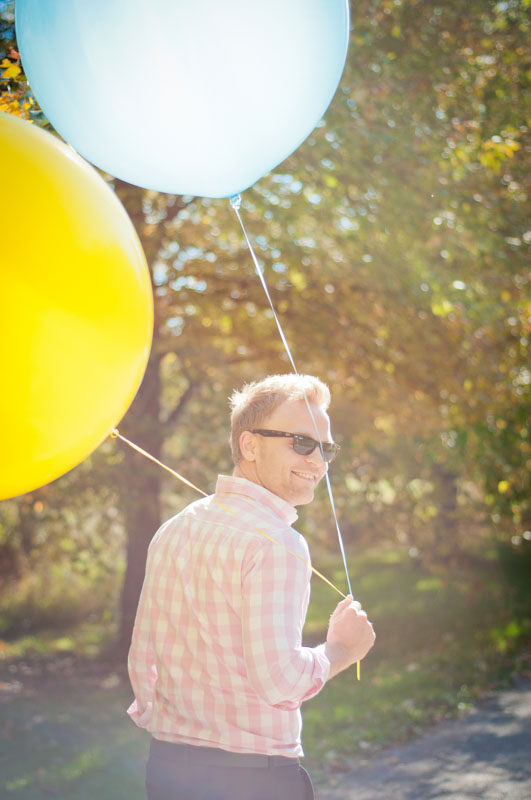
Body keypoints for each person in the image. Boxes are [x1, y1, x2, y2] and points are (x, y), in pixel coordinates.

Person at [128, 374, 376, 800]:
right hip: (251, 781)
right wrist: (341, 650)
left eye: (327, 448)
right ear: (249, 446)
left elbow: (141, 660)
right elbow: (280, 682)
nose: (318, 462)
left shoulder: (172, 527)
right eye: (302, 443)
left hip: (166, 772)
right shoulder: (278, 543)